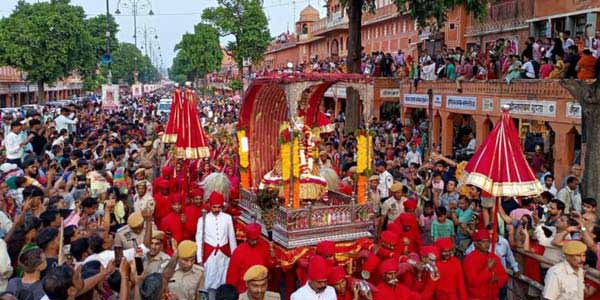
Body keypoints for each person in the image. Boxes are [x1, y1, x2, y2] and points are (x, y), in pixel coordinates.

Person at [195, 191, 237, 291]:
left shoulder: (227, 218)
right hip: (209, 255)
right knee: (209, 281)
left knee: (224, 280)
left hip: (224, 255)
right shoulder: (202, 219)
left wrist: (234, 257)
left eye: (219, 207)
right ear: (210, 206)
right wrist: (200, 259)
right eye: (214, 207)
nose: (217, 209)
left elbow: (232, 238)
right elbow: (199, 240)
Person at [226, 223, 274, 293]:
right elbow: (232, 276)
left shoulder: (264, 246)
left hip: (261, 288)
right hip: (244, 291)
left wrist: (272, 256)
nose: (254, 242)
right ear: (247, 237)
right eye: (252, 240)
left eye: (256, 239)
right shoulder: (238, 251)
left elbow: (270, 267)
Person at [462, 230, 508, 300]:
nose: (487, 244)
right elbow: (473, 282)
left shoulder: (494, 257)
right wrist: (487, 269)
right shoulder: (469, 259)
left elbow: (504, 277)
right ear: (475, 243)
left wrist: (497, 279)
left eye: (488, 241)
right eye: (483, 242)